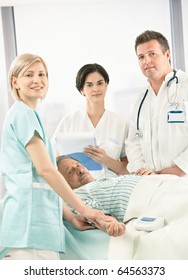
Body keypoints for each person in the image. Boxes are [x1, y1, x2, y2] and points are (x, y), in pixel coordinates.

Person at [0, 53, 125, 260]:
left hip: (40, 228)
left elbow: (43, 181)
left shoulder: (31, 115)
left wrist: (72, 217)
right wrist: (84, 210)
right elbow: (47, 171)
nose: (37, 80)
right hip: (29, 227)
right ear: (15, 82)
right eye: (29, 75)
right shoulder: (22, 114)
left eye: (42, 74)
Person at [126, 30, 188, 176]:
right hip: (152, 184)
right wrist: (141, 171)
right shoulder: (139, 101)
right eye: (141, 57)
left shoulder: (185, 87)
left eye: (152, 54)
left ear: (167, 55)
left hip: (183, 182)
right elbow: (132, 143)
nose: (146, 61)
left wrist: (179, 169)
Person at [52, 63, 129, 178]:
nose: (96, 89)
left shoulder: (120, 123)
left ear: (106, 85)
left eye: (100, 83)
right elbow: (56, 162)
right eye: (89, 85)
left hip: (110, 188)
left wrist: (106, 160)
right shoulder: (68, 121)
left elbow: (129, 169)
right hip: (78, 189)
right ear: (81, 90)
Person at [56, 155, 142, 222]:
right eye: (70, 172)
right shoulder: (76, 197)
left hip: (148, 181)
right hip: (142, 199)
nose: (80, 171)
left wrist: (146, 174)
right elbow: (97, 216)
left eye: (78, 165)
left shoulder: (107, 179)